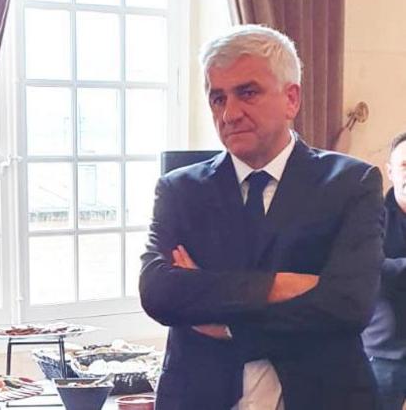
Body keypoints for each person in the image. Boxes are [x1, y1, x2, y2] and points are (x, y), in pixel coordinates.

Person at [139, 25, 384, 410]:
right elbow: (159, 293)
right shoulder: (180, 190)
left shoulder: (351, 183)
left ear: (291, 99)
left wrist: (225, 322)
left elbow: (347, 305)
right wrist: (277, 286)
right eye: (217, 98)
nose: (229, 113)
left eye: (247, 93)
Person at [363, 131, 406, 410]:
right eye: (404, 165)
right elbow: (371, 267)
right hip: (385, 354)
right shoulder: (370, 215)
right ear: (390, 172)